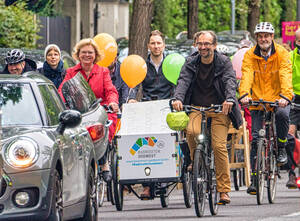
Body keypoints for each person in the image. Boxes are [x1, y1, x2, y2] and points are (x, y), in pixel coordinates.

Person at [172, 30, 242, 204]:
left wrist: (230, 100)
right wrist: (178, 99)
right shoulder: (191, 62)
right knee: (191, 131)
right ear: (196, 45)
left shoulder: (223, 62)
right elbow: (183, 81)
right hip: (196, 107)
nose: (203, 47)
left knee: (219, 146)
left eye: (207, 44)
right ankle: (197, 162)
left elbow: (229, 82)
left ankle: (224, 190)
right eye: (200, 44)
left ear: (214, 46)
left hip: (220, 109)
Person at [239, 22, 293, 194]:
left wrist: (285, 96)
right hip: (257, 99)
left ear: (272, 37)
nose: (263, 39)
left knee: (283, 116)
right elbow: (246, 75)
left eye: (266, 36)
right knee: (255, 138)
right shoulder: (249, 55)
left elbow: (285, 74)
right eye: (260, 36)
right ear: (257, 38)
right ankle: (255, 179)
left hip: (278, 98)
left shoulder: (282, 54)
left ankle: (282, 147)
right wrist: (244, 95)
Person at [58, 38, 119, 182]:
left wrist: (112, 102)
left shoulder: (103, 71)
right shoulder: (71, 72)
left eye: (90, 52)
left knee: (100, 129)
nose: (87, 55)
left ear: (95, 55)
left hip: (100, 110)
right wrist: (60, 103)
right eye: (83, 52)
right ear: (78, 55)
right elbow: (62, 90)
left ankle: (104, 162)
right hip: (79, 112)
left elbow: (110, 91)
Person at [129, 30, 175, 197]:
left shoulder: (170, 62)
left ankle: (163, 180)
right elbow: (134, 84)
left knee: (165, 139)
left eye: (159, 43)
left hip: (166, 106)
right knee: (146, 141)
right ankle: (147, 185)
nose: (156, 46)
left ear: (163, 45)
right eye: (153, 43)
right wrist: (132, 98)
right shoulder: (142, 65)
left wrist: (177, 100)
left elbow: (178, 82)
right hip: (148, 106)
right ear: (148, 46)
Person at [286, 28, 300, 188]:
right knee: (289, 135)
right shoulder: (290, 58)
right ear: (296, 42)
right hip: (294, 101)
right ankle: (291, 172)